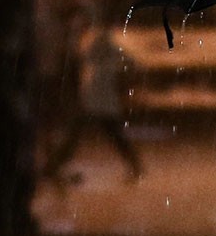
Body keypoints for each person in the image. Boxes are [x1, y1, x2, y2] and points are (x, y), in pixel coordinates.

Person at [43, 10, 144, 183]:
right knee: (108, 133)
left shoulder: (96, 40)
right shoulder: (99, 42)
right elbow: (129, 62)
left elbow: (125, 61)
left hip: (95, 97)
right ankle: (134, 165)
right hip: (99, 98)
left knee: (78, 132)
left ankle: (54, 166)